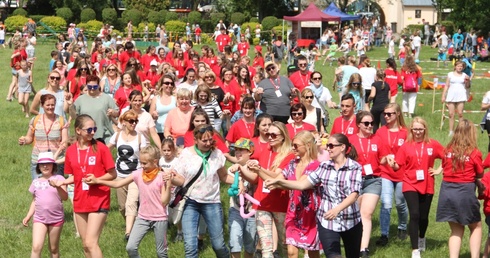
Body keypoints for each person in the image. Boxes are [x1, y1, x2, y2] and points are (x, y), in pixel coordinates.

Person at [265, 133, 363, 258]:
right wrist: (279, 182)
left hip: (350, 220)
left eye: (331, 146)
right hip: (328, 221)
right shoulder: (324, 166)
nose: (328, 149)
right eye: (327, 145)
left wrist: (337, 209)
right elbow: (302, 185)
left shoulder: (355, 168)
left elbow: (354, 194)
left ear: (342, 147)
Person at [86, 146, 172, 258]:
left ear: (155, 161)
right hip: (142, 217)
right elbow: (117, 184)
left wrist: (169, 184)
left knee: (161, 253)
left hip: (159, 218)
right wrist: (98, 181)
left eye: (145, 163)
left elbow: (164, 202)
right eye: (141, 162)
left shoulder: (162, 177)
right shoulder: (138, 174)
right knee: (130, 247)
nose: (142, 165)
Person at [49, 114, 116, 258]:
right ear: (78, 130)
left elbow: (113, 174)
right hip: (80, 199)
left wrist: (97, 180)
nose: (93, 132)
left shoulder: (101, 148)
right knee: (85, 245)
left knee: (91, 243)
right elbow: (73, 176)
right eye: (89, 129)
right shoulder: (71, 151)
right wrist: (62, 182)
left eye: (94, 129)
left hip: (99, 199)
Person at [169, 124, 233, 258]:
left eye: (210, 140)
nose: (208, 143)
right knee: (190, 247)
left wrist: (239, 183)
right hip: (190, 202)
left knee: (218, 245)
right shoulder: (186, 154)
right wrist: (170, 178)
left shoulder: (217, 154)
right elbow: (181, 180)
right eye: (204, 140)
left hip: (212, 202)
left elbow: (223, 176)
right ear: (196, 140)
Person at [386, 117, 444, 258]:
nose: (418, 132)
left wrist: (438, 170)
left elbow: (447, 157)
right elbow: (397, 166)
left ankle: (421, 237)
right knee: (415, 214)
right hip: (409, 183)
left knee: (423, 217)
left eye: (420, 129)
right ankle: (415, 249)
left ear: (425, 129)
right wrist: (391, 163)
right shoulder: (406, 146)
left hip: (427, 183)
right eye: (415, 129)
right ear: (411, 130)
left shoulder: (432, 144)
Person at [240, 121, 295, 257]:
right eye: (267, 134)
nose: (269, 137)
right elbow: (255, 179)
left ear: (283, 136)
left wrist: (259, 169)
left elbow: (277, 178)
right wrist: (242, 169)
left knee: (284, 246)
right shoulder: (265, 151)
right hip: (262, 203)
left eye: (273, 135)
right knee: (266, 247)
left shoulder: (289, 155)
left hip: (281, 204)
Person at [435, 119, 483, 258]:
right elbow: (479, 173)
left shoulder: (448, 150)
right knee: (476, 226)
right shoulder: (474, 152)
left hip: (447, 191)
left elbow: (444, 166)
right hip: (465, 192)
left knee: (456, 230)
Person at [273, 131, 321, 258]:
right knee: (291, 252)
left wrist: (278, 182)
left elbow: (301, 184)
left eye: (296, 145)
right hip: (293, 212)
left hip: (311, 213)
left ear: (308, 146)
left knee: (312, 252)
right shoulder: (292, 164)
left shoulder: (316, 165)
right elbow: (276, 179)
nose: (293, 148)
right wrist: (258, 169)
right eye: (292, 145)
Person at [348, 111, 387, 258]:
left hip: (373, 180)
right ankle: (354, 244)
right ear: (358, 124)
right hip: (355, 180)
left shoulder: (377, 139)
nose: (370, 126)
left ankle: (364, 249)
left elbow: (381, 159)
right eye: (366, 123)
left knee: (366, 214)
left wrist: (388, 159)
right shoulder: (350, 140)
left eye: (372, 123)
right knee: (355, 215)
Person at [107, 109, 148, 240]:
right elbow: (106, 150)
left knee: (131, 203)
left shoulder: (141, 138)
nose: (134, 123)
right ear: (123, 122)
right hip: (119, 175)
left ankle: (128, 233)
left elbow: (145, 155)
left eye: (136, 121)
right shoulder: (117, 136)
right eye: (131, 121)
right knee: (122, 207)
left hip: (135, 175)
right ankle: (132, 224)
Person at [22, 152, 68, 258]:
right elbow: (34, 201)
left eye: (48, 163)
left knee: (54, 248)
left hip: (56, 218)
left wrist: (57, 186)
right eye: (42, 164)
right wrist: (28, 215)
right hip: (39, 219)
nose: (45, 166)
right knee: (36, 247)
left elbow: (64, 197)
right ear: (38, 166)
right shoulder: (36, 181)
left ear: (53, 165)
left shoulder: (60, 179)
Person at [375, 103, 408, 246]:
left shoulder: (406, 132)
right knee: (386, 203)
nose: (386, 116)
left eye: (390, 114)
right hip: (385, 173)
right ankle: (384, 234)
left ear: (398, 114)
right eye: (385, 114)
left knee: (400, 203)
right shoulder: (381, 131)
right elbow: (377, 152)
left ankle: (402, 227)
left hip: (402, 173)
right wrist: (383, 159)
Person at [19, 94, 68, 179]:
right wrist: (24, 140)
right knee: (39, 189)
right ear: (42, 105)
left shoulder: (61, 120)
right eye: (48, 105)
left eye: (52, 105)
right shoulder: (35, 120)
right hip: (38, 161)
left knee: (56, 190)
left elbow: (65, 140)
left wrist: (63, 145)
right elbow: (29, 138)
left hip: (55, 161)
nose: (50, 107)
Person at [226, 138, 258, 258]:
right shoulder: (232, 169)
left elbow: (255, 178)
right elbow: (231, 184)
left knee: (250, 246)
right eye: (236, 150)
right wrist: (238, 178)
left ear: (250, 152)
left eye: (241, 150)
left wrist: (242, 170)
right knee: (235, 242)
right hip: (235, 209)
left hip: (252, 211)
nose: (237, 153)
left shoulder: (255, 166)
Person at [72, 75, 119, 143]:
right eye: (90, 87)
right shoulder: (80, 99)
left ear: (99, 85)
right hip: (86, 135)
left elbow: (116, 113)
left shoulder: (106, 98)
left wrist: (113, 112)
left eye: (95, 87)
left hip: (104, 135)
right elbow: (74, 116)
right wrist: (70, 104)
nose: (92, 89)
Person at [441, 61, 471, 136]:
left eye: (461, 66)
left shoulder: (464, 75)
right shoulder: (450, 74)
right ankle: (451, 131)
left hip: (461, 95)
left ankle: (461, 131)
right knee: (451, 114)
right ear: (455, 66)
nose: (459, 67)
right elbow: (447, 85)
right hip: (451, 95)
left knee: (460, 113)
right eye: (458, 66)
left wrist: (468, 81)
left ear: (463, 68)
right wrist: (443, 95)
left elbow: (467, 86)